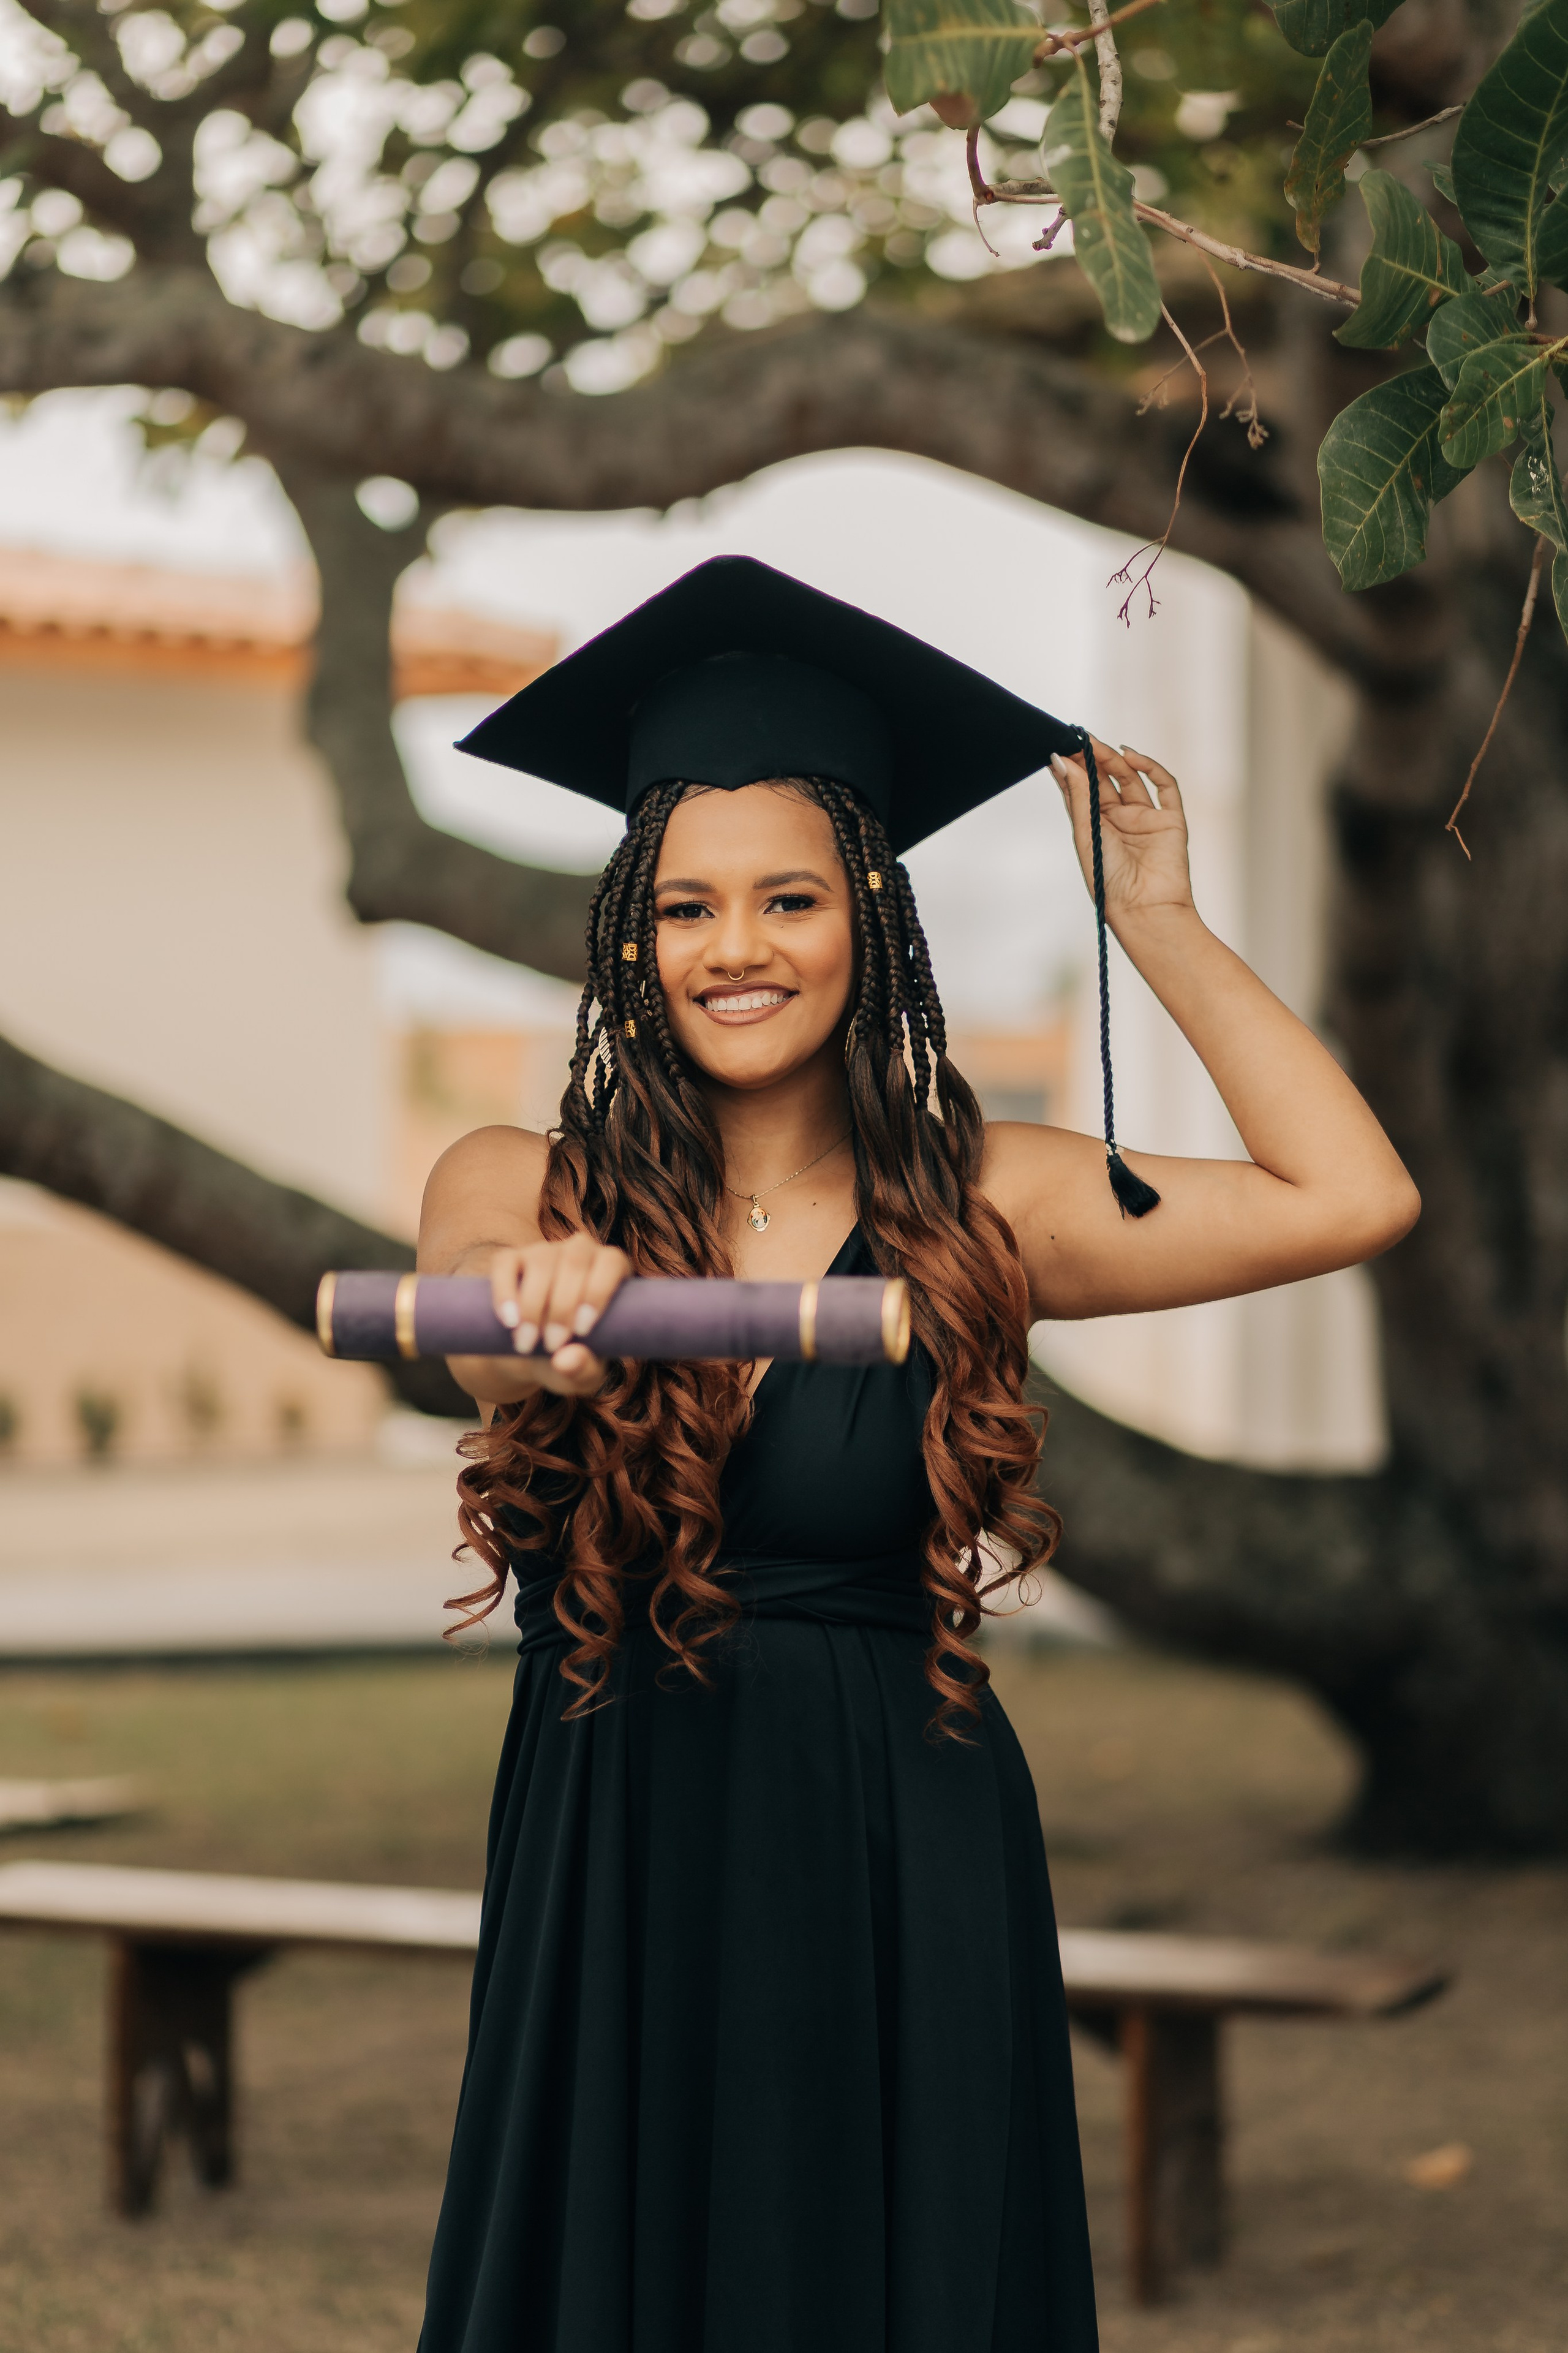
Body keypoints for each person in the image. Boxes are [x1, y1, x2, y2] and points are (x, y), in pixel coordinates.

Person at [414, 557, 1418, 2353]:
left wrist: (1159, 923)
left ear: (870, 914)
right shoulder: (521, 1184)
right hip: (622, 1836)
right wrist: (539, 1304)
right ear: (632, 938)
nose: (738, 948)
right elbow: (473, 1317)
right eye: (689, 907)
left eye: (789, 898)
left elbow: (1352, 1195)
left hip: (900, 1830)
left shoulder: (985, 1197)